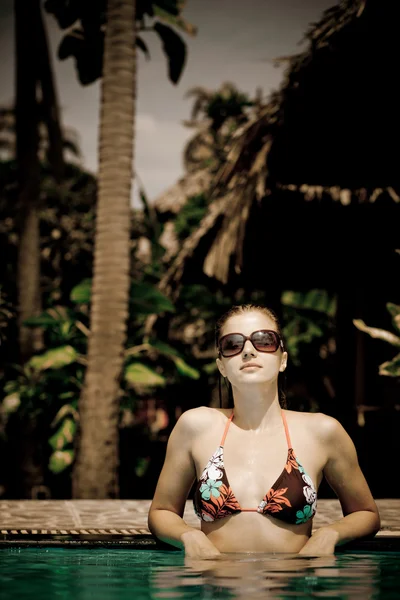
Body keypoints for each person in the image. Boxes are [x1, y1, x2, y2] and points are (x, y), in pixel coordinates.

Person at [148, 304, 380, 557]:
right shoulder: (196, 426)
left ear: (283, 360)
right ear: (222, 366)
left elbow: (365, 514)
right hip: (215, 585)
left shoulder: (322, 431)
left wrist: (329, 534)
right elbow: (162, 512)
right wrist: (189, 536)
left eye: (264, 341)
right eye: (233, 344)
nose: (248, 350)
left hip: (293, 586)